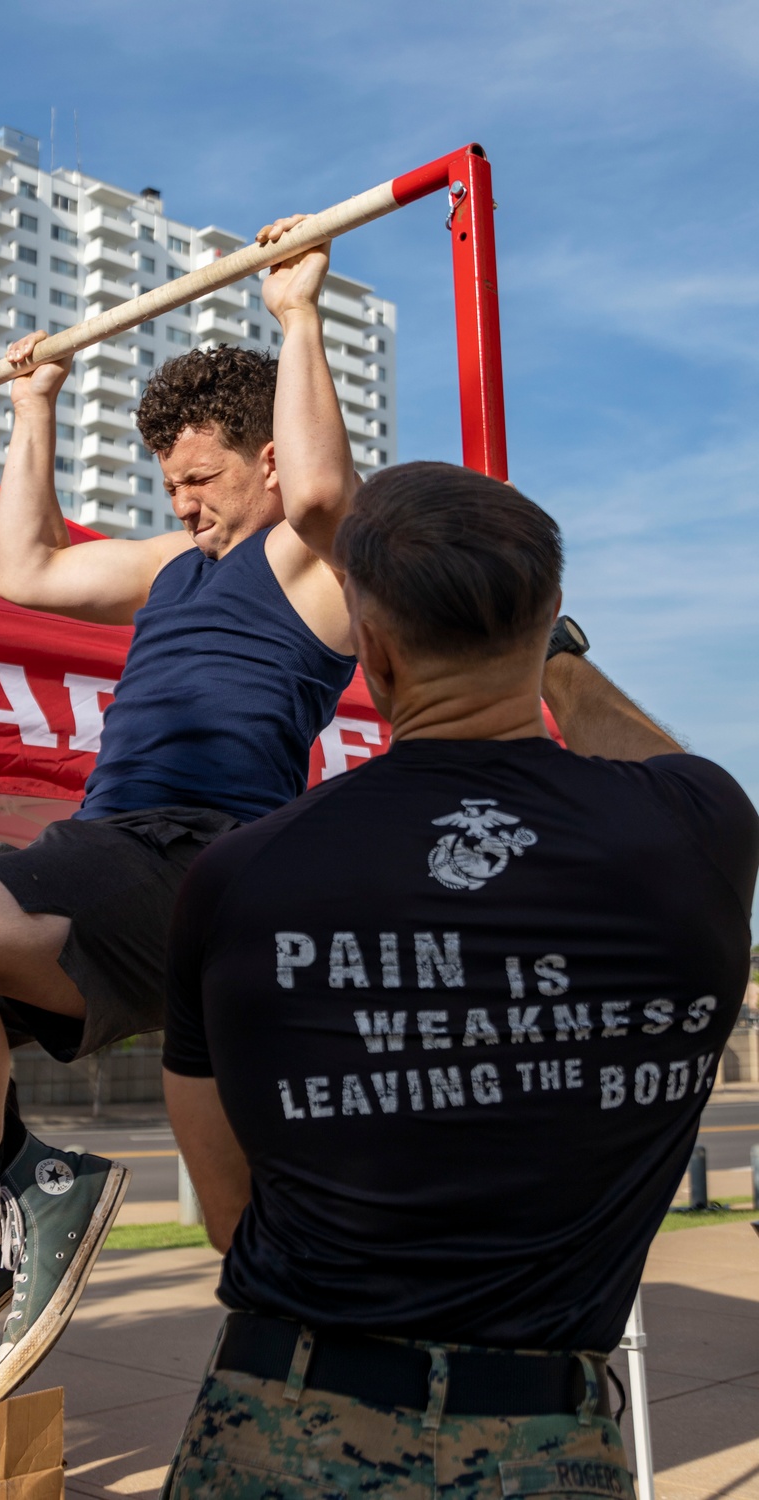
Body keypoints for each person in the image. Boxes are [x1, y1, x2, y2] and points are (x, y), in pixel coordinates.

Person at [0, 216, 358, 1417]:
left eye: (203, 479)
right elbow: (26, 571)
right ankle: (22, 1175)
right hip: (98, 848)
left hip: (202, 855)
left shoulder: (308, 558)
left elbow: (332, 487)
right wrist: (34, 406)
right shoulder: (167, 568)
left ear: (264, 464)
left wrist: (297, 317)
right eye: (170, 484)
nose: (184, 503)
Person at [161, 461, 759, 1498]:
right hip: (551, 1445)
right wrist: (553, 662)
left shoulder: (240, 876)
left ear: (369, 642)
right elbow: (663, 771)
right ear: (550, 614)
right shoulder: (701, 833)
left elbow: (229, 1215)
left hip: (283, 1422)